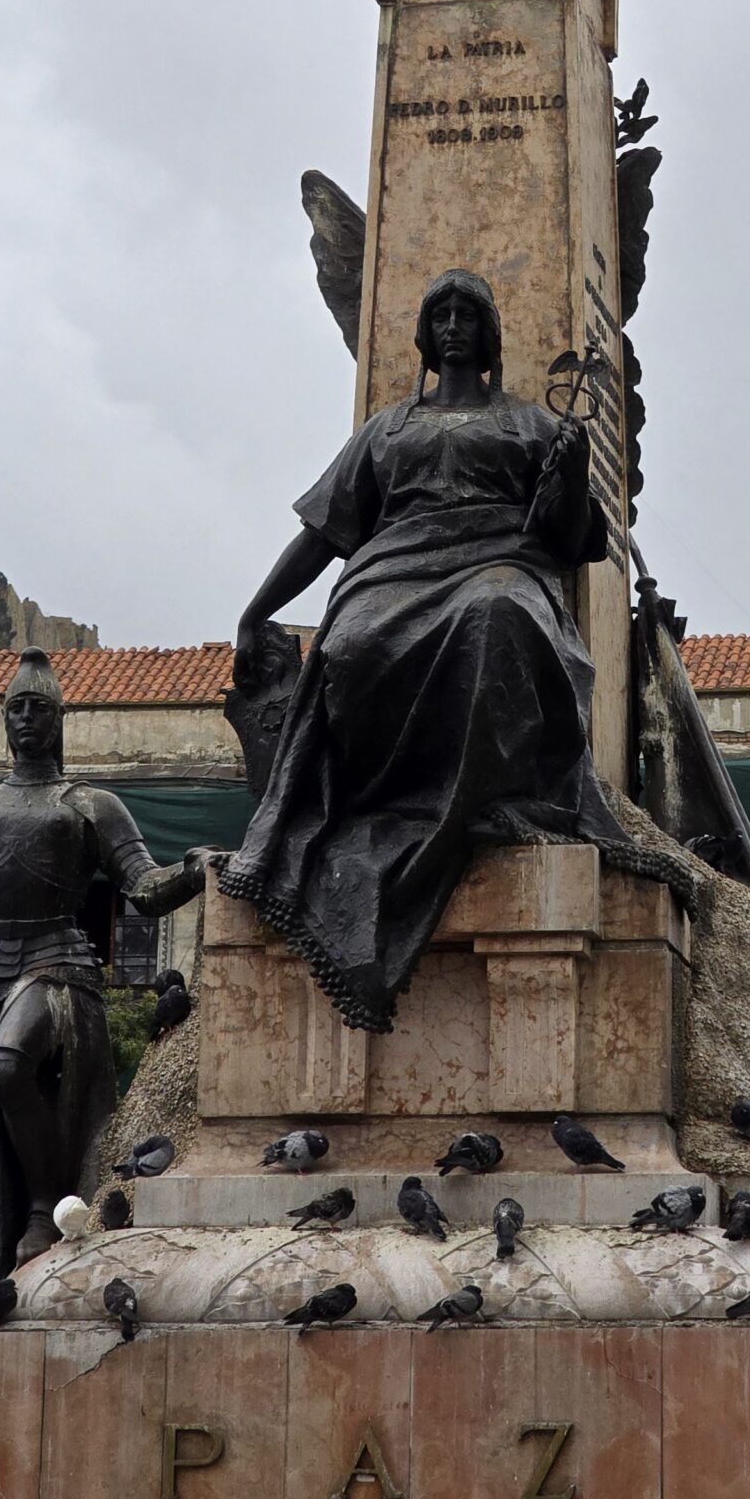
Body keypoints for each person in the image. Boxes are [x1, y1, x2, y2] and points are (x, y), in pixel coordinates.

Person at [220, 269, 658, 1030]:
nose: (454, 326)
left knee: (498, 614)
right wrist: (257, 611)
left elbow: (573, 540)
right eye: (442, 315)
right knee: (348, 647)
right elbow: (321, 534)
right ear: (426, 334)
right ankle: (378, 804)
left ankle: (490, 795)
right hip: (393, 570)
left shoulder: (532, 425)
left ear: (489, 335)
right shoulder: (386, 430)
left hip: (502, 563)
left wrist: (570, 472)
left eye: (468, 315)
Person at [0, 649, 210, 1288]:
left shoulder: (90, 805)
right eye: (17, 708)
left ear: (59, 719)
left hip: (57, 966)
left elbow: (143, 886)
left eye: (39, 708)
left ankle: (43, 1211)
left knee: (7, 1066)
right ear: (4, 719)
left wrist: (194, 872)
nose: (27, 718)